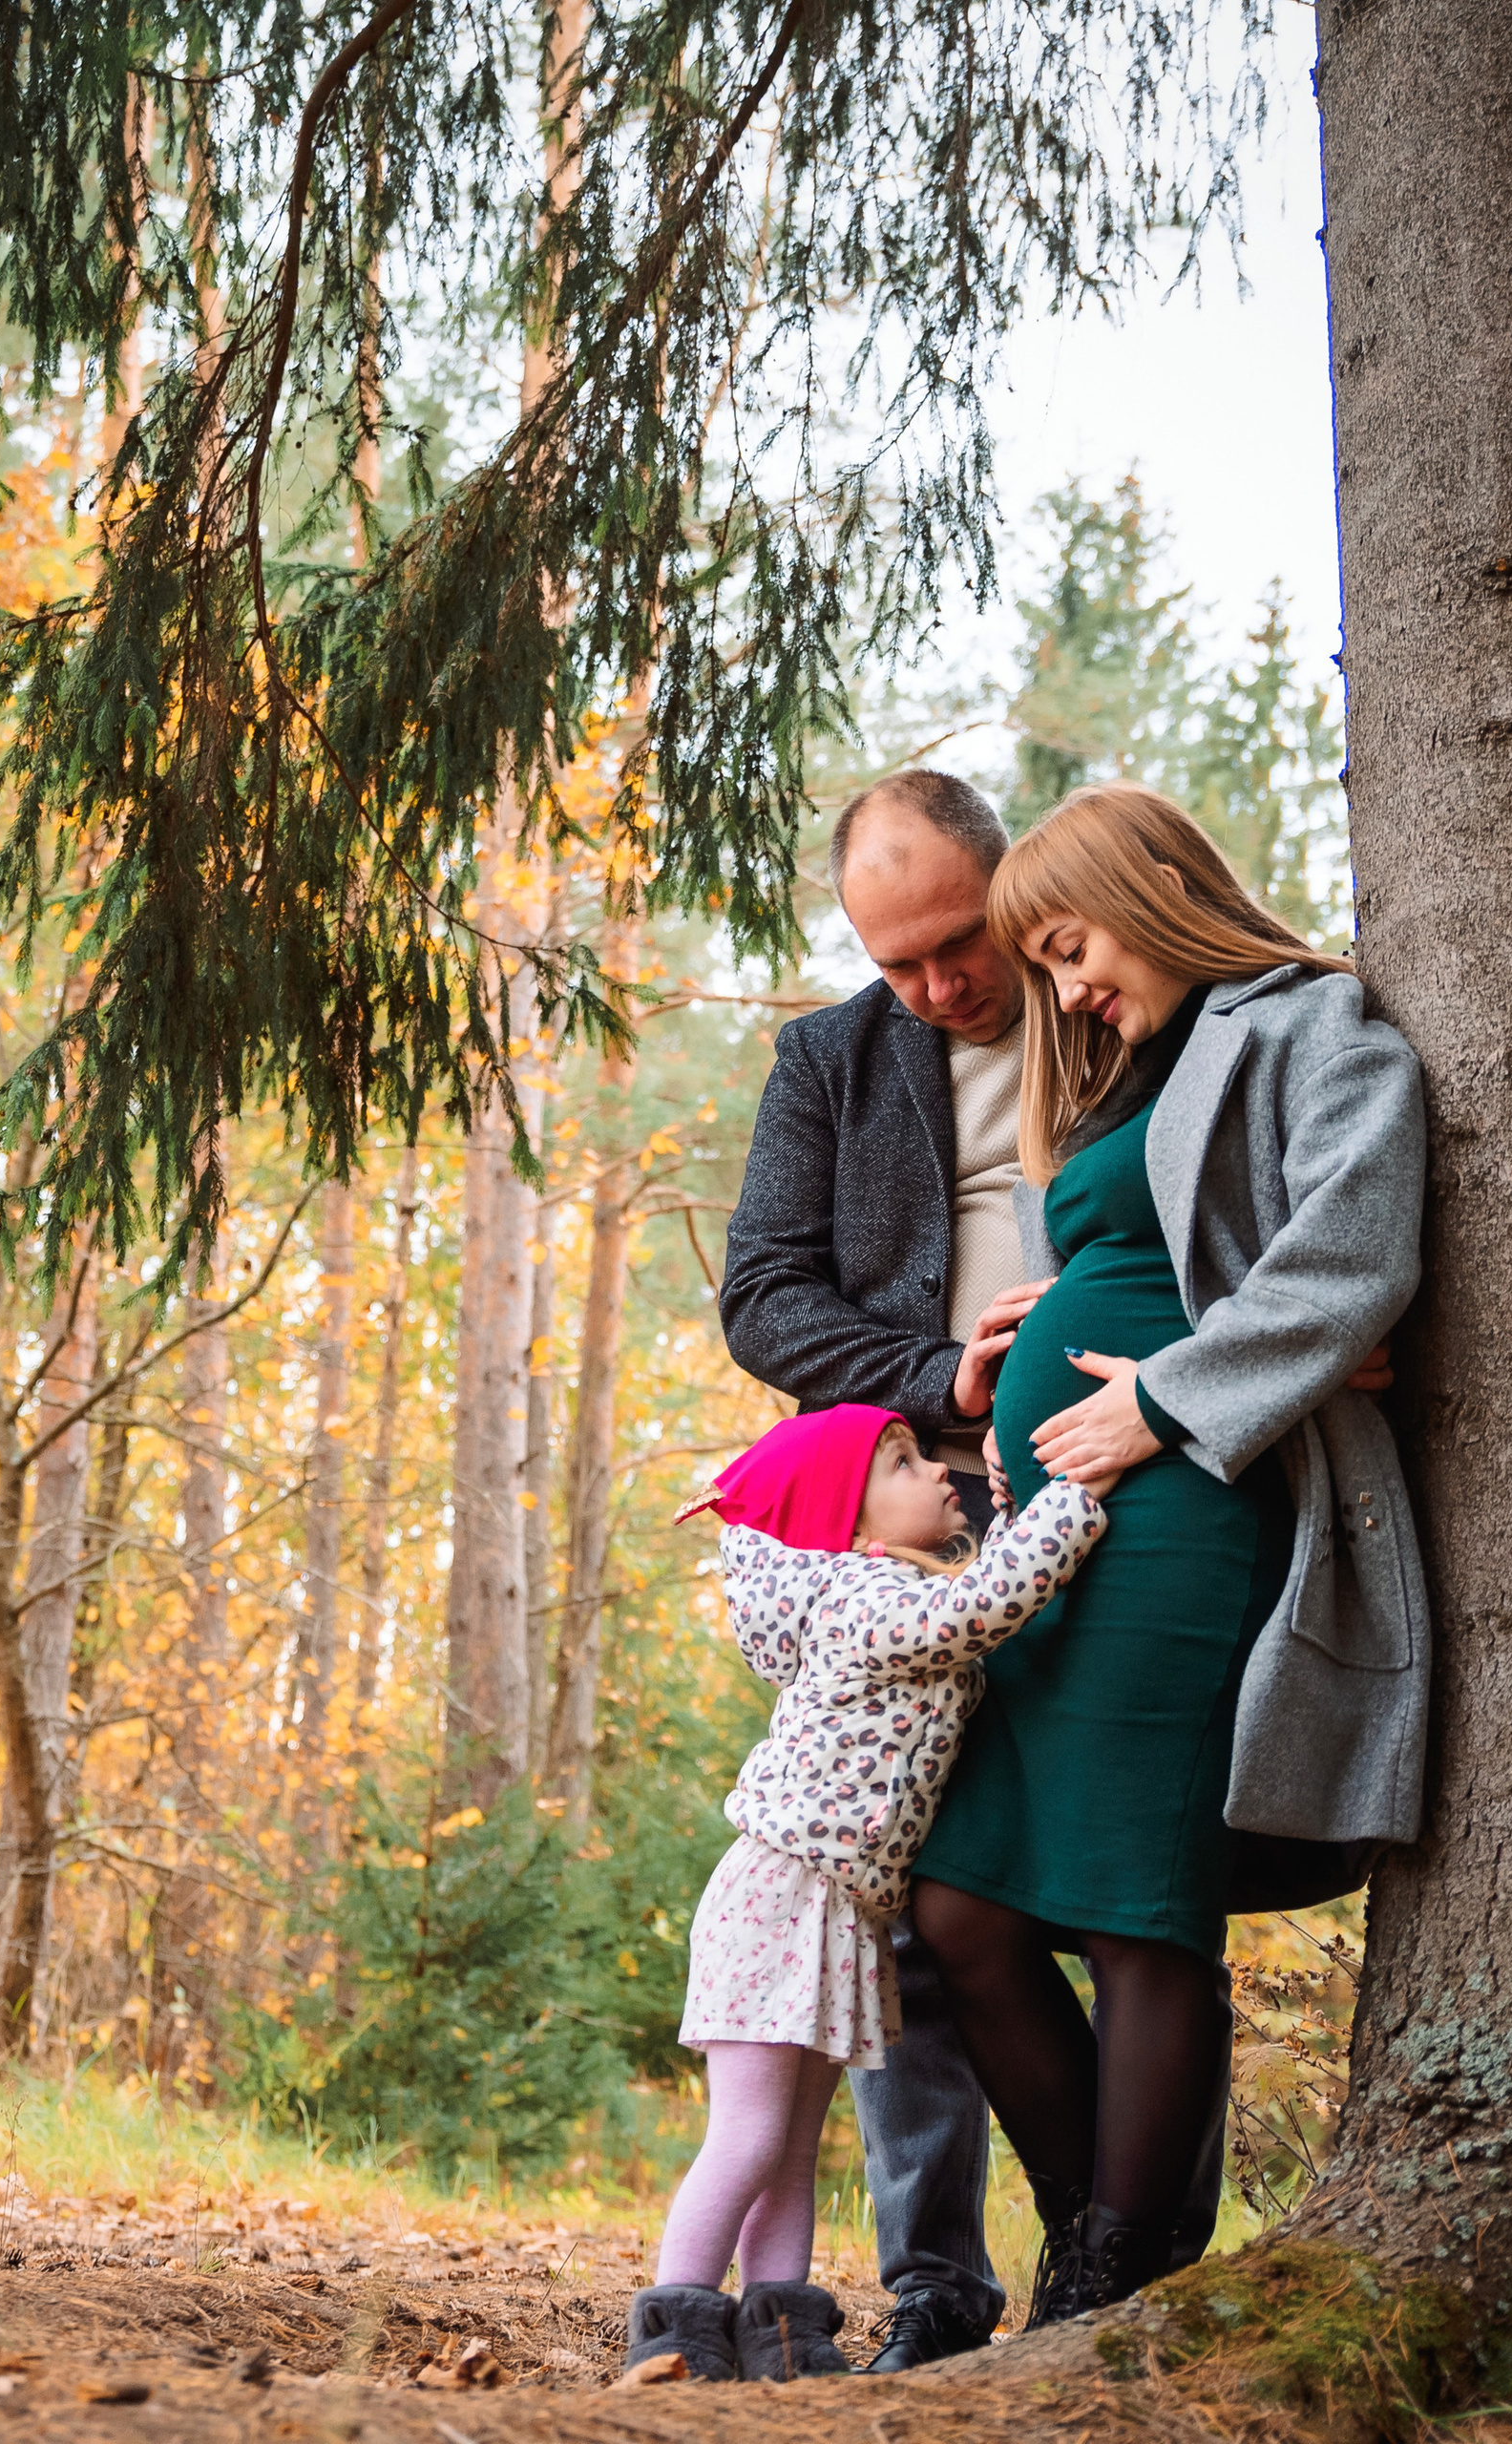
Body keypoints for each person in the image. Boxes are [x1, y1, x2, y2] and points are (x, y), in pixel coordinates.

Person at [910, 783, 1429, 2321]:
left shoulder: (1307, 1025)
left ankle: (1113, 2286)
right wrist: (1023, 1337)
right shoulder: (1128, 1070)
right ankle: (1104, 2260)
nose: (1064, 991)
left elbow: (1354, 1251)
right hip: (1052, 1545)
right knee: (964, 1911)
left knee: (1141, 1906)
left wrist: (1167, 1397)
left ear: (1153, 890)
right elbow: (1145, 1261)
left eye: (1072, 947)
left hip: (1185, 1518)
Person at [718, 769, 1092, 2369]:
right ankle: (937, 2278)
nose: (941, 987)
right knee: (888, 1898)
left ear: (1014, 885)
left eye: (958, 943)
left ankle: (1118, 2239)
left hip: (1114, 1487)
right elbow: (765, 1304)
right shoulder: (829, 1063)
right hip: (915, 1514)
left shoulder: (1117, 1007)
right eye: (901, 965)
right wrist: (940, 1374)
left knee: (1103, 1878)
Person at [624, 1404, 1109, 2385]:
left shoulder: (886, 1584)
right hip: (782, 1892)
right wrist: (1078, 1494)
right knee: (751, 2132)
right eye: (903, 1462)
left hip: (834, 1905)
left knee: (793, 2147)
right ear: (850, 1526)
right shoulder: (861, 1596)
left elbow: (977, 1585)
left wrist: (1013, 1509)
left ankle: (785, 2346)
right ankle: (671, 2332)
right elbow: (983, 1608)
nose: (939, 1471)